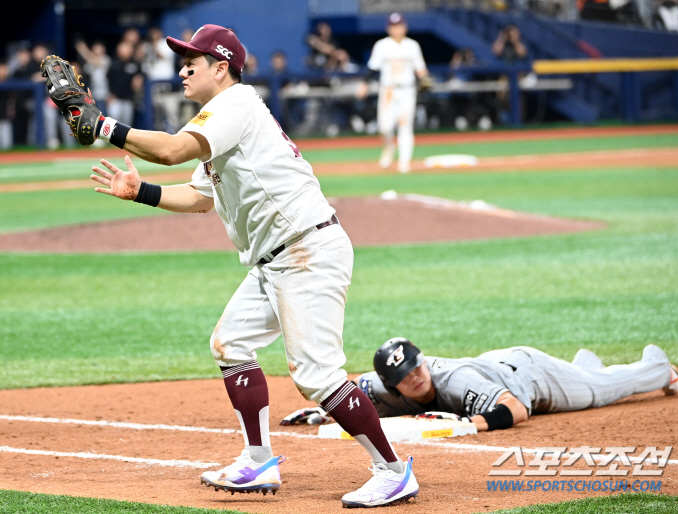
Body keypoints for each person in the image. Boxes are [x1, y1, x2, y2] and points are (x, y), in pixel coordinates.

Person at [68, 24, 417, 508]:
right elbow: (198, 197)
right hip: (277, 258)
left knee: (316, 374)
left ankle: (393, 470)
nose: (183, 66)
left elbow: (170, 150)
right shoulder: (219, 117)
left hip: (305, 249)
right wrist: (142, 192)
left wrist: (102, 125)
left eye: (194, 58)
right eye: (181, 58)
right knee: (230, 344)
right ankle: (257, 460)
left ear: (222, 66)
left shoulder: (236, 106)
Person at [283, 338, 678, 432]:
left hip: (530, 377)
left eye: (417, 367)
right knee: (588, 378)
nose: (416, 377)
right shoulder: (378, 387)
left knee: (602, 392)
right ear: (391, 385)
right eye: (405, 377)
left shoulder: (455, 381)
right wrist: (324, 413)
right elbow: (356, 398)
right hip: (501, 367)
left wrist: (469, 425)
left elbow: (517, 408)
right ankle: (582, 366)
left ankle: (657, 368)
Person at [357, 12, 428, 173]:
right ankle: (389, 148)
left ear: (405, 27)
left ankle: (404, 162)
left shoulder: (412, 46)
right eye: (393, 26)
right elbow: (372, 67)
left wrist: (426, 81)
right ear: (389, 28)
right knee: (385, 127)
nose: (397, 29)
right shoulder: (382, 45)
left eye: (399, 25)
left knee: (405, 126)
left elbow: (421, 69)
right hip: (388, 90)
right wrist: (364, 84)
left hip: (407, 90)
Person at [106, 41, 143, 127]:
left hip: (129, 99)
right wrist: (109, 95)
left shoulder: (135, 64)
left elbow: (139, 78)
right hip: (115, 99)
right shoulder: (114, 63)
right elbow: (108, 80)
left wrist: (138, 81)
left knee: (126, 126)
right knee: (113, 124)